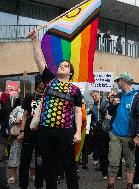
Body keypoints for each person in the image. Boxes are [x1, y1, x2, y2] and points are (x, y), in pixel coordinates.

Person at [28, 29, 82, 189]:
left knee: (69, 166)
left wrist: (78, 132)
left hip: (65, 131)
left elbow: (78, 111)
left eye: (66, 66)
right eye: (60, 65)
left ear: (71, 73)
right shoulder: (49, 80)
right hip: (45, 130)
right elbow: (39, 59)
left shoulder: (75, 90)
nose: (62, 66)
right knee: (48, 166)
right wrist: (34, 40)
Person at [106, 72, 139, 189]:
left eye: (118, 80)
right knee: (113, 162)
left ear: (124, 80)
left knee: (130, 162)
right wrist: (112, 104)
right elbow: (111, 112)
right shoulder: (118, 95)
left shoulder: (137, 97)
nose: (117, 83)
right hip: (115, 134)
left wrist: (138, 135)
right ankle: (110, 185)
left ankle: (129, 185)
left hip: (129, 136)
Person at [18, 75, 45, 189]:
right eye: (42, 82)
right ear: (38, 83)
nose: (44, 84)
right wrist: (22, 131)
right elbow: (24, 115)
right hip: (29, 131)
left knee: (40, 159)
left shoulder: (48, 97)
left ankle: (38, 184)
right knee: (25, 158)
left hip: (42, 132)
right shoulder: (30, 96)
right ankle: (23, 184)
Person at [7, 97, 24, 184]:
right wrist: (18, 122)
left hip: (22, 136)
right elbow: (11, 120)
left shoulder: (14, 110)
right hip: (20, 135)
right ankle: (13, 175)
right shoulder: (19, 109)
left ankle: (13, 176)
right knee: (16, 155)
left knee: (31, 155)